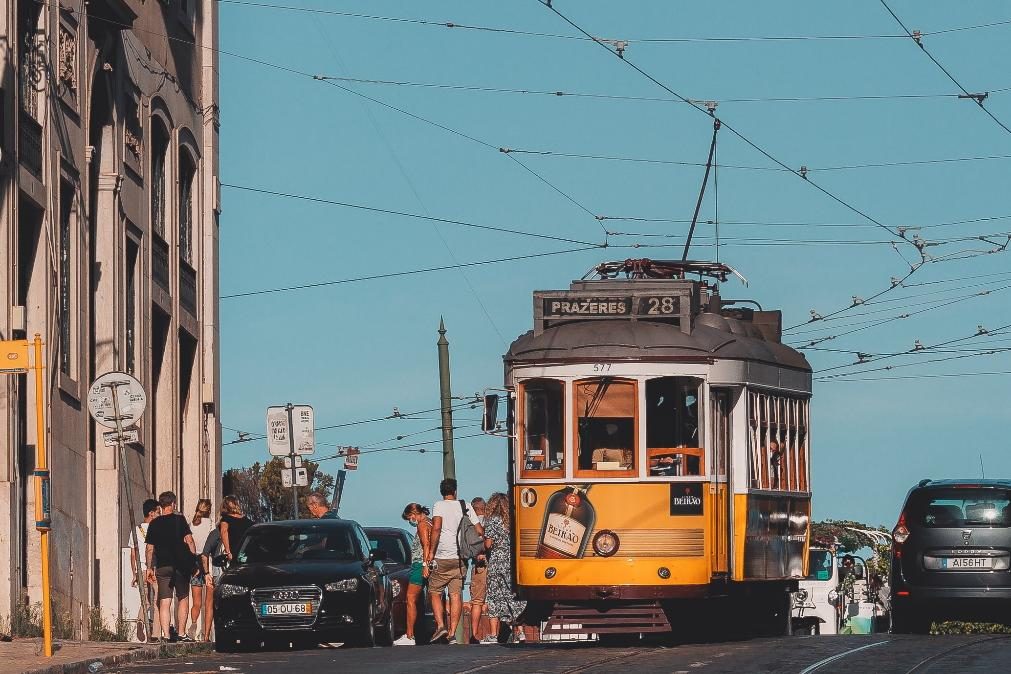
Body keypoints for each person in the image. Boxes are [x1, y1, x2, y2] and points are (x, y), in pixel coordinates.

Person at [428, 478, 482, 645]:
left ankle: (441, 625)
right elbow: (479, 530)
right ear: (455, 491)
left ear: (441, 491)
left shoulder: (438, 505)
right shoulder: (465, 505)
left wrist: (430, 553)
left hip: (442, 555)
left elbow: (436, 528)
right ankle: (452, 633)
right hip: (460, 558)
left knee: (435, 591)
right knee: (456, 594)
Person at [144, 491, 198, 642]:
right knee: (183, 598)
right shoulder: (179, 520)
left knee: (164, 601)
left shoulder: (154, 524)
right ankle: (181, 633)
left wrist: (149, 568)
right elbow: (190, 541)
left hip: (162, 567)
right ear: (173, 503)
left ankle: (166, 635)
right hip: (180, 566)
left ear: (161, 506)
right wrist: (193, 561)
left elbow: (149, 548)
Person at [483, 492, 527, 644]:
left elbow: (488, 544)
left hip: (496, 562)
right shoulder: (512, 521)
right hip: (511, 562)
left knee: (494, 597)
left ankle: (494, 635)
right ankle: (521, 632)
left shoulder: (491, 521)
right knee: (511, 596)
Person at [393, 503, 434, 646]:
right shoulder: (431, 522)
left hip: (419, 565)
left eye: (410, 517)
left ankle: (409, 635)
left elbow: (426, 545)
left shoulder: (422, 525)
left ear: (414, 513)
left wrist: (424, 565)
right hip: (425, 564)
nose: (410, 520)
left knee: (410, 599)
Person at [130, 499, 161, 642]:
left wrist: (134, 573)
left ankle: (140, 621)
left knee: (145, 601)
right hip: (153, 569)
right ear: (151, 513)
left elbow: (133, 553)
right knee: (158, 600)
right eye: (158, 512)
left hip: (141, 569)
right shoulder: (157, 529)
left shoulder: (135, 530)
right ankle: (156, 634)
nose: (159, 515)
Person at [187, 499, 214, 640]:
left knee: (196, 602)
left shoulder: (191, 525)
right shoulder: (210, 524)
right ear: (208, 510)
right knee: (208, 603)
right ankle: (206, 636)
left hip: (195, 565)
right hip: (207, 562)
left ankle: (193, 624)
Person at [468, 497, 489, 644]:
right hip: (493, 563)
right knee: (495, 600)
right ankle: (496, 633)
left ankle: (474, 634)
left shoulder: (472, 525)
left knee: (477, 601)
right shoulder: (493, 521)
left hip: (479, 565)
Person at [219, 496, 253, 562]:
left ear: (225, 506)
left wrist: (228, 552)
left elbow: (224, 532)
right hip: (248, 553)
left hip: (235, 554)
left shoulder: (225, 519)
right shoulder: (247, 521)